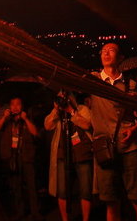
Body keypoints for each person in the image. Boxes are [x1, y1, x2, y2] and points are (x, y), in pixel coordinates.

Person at [89, 42, 137, 221]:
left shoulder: (129, 84)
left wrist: (133, 129)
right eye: (103, 51)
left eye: (111, 50)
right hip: (104, 150)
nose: (106, 53)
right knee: (111, 202)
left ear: (120, 58)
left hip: (128, 147)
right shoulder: (92, 81)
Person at [44, 91, 92, 221]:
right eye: (58, 98)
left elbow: (87, 124)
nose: (61, 101)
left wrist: (71, 111)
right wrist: (55, 110)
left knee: (86, 191)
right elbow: (47, 125)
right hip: (62, 155)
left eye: (63, 98)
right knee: (62, 191)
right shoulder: (58, 113)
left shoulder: (82, 109)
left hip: (82, 154)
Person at [0, 97, 40, 220]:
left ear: (22, 106)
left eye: (18, 104)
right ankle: (20, 212)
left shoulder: (26, 119)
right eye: (12, 104)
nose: (15, 107)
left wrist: (25, 119)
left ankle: (35, 212)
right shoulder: (7, 120)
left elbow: (35, 133)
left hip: (26, 155)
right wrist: (4, 117)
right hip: (12, 157)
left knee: (31, 185)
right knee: (16, 186)